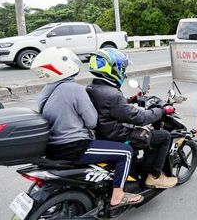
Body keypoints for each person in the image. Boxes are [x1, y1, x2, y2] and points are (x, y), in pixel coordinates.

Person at [30, 47, 143, 209]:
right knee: (126, 152)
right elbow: (91, 121)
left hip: (52, 148)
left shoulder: (47, 90)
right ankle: (118, 195)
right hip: (74, 147)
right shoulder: (74, 88)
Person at [86, 48, 178, 189]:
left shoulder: (93, 87)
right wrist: (161, 111)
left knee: (148, 135)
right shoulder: (112, 94)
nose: (123, 72)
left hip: (104, 133)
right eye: (122, 68)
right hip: (118, 135)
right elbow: (139, 117)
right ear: (113, 68)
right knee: (163, 136)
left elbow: (110, 108)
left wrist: (130, 100)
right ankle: (155, 176)